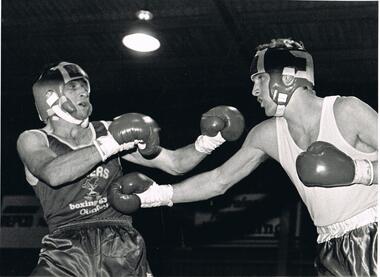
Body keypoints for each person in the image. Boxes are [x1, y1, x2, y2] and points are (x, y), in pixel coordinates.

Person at [114, 39, 378, 276]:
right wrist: (153, 195)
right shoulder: (267, 134)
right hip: (329, 248)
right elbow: (219, 180)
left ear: (285, 78)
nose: (253, 91)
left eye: (259, 79)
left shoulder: (346, 111)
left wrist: (358, 171)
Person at [16, 61, 245, 276]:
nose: (83, 92)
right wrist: (111, 143)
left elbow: (175, 163)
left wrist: (209, 142)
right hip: (65, 250)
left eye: (84, 86)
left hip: (120, 247)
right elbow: (53, 173)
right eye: (73, 87)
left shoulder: (107, 130)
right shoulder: (33, 139)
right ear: (50, 97)